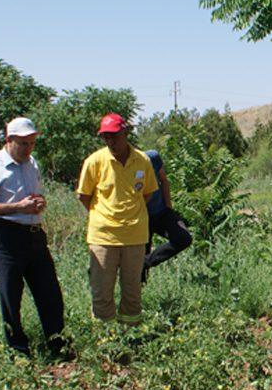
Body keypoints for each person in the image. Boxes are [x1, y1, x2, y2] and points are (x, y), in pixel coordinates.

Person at [0, 117, 68, 358]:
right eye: (23, 143)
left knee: (50, 293)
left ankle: (58, 345)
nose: (28, 148)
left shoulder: (32, 163)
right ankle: (18, 351)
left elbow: (33, 196)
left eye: (32, 143)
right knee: (10, 296)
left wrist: (38, 203)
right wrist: (19, 207)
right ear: (9, 140)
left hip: (35, 235)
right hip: (8, 237)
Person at [77, 113, 159, 324]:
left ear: (126, 133)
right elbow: (84, 196)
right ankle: (106, 343)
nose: (110, 141)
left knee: (132, 293)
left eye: (114, 136)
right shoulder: (94, 161)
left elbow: (148, 193)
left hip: (135, 236)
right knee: (102, 291)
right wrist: (104, 216)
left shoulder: (143, 160)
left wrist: (131, 214)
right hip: (103, 237)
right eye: (106, 137)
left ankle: (130, 337)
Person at [141, 150, 193, 281]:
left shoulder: (152, 157)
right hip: (141, 218)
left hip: (161, 212)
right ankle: (140, 296)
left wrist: (169, 208)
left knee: (184, 237)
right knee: (140, 273)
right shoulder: (122, 168)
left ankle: (146, 262)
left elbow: (164, 181)